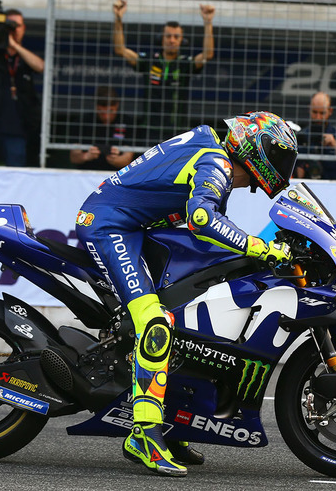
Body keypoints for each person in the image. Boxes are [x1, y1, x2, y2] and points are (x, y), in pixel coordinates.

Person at [75, 111, 297, 477]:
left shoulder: (215, 155)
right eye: (281, 156)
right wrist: (262, 248)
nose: (284, 166)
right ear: (258, 152)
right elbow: (202, 221)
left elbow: (211, 230)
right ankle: (143, 434)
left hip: (135, 226)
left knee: (186, 321)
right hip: (109, 226)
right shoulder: (216, 163)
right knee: (156, 323)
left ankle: (174, 425)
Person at [112, 0, 215, 140]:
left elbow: (207, 55)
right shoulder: (150, 60)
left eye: (176, 36)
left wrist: (208, 22)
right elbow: (120, 50)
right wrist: (118, 18)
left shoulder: (185, 63)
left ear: (182, 41)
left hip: (177, 130)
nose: (171, 40)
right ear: (161, 38)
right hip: (149, 129)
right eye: (168, 36)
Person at [0, 8, 43, 167]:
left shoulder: (25, 55)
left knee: (16, 174)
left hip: (17, 128)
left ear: (24, 28)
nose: (13, 30)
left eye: (17, 26)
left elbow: (40, 66)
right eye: (9, 27)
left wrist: (13, 44)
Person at [69, 86, 135, 171]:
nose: (106, 115)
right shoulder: (83, 121)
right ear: (96, 107)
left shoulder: (127, 122)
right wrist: (86, 156)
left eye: (110, 111)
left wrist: (116, 160)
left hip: (117, 175)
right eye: (102, 112)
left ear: (117, 105)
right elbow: (74, 157)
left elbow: (128, 158)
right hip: (87, 173)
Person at [294, 91, 336, 180]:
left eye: (322, 113)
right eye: (314, 112)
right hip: (309, 188)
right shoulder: (300, 136)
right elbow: (295, 176)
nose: (318, 117)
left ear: (330, 111)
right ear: (309, 109)